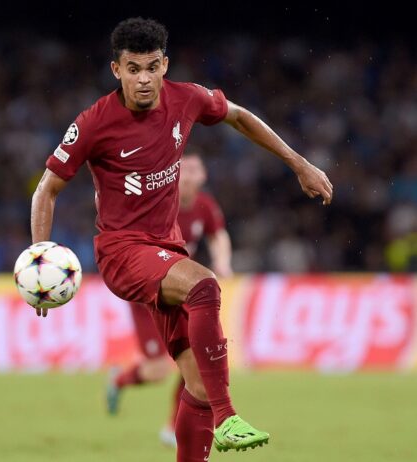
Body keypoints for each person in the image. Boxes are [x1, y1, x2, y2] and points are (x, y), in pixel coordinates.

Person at [31, 17, 333, 461]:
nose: (144, 78)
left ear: (165, 64)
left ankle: (212, 417)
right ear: (116, 70)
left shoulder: (186, 99)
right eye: (133, 68)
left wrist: (298, 163)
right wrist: (38, 258)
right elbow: (47, 189)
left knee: (197, 384)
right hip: (121, 252)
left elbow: (239, 117)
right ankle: (229, 417)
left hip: (166, 249)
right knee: (204, 285)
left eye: (153, 66)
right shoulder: (94, 122)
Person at [106, 151, 233, 450]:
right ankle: (118, 381)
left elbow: (218, 236)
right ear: (173, 174)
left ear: (203, 176)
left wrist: (223, 262)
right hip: (145, 291)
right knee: (158, 371)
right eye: (183, 169)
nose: (189, 175)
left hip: (177, 288)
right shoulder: (161, 202)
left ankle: (171, 426)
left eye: (195, 169)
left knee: (196, 358)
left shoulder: (205, 206)